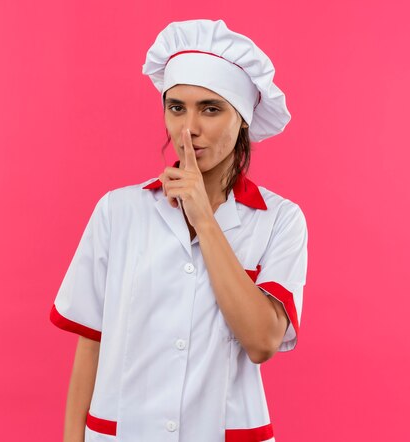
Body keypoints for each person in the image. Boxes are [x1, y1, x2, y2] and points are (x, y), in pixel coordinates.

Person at [50, 18, 308, 442]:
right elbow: (92, 344)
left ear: (242, 118)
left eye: (211, 108)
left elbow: (262, 341)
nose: (188, 127)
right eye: (176, 107)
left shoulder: (280, 219)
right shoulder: (119, 212)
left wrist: (204, 219)